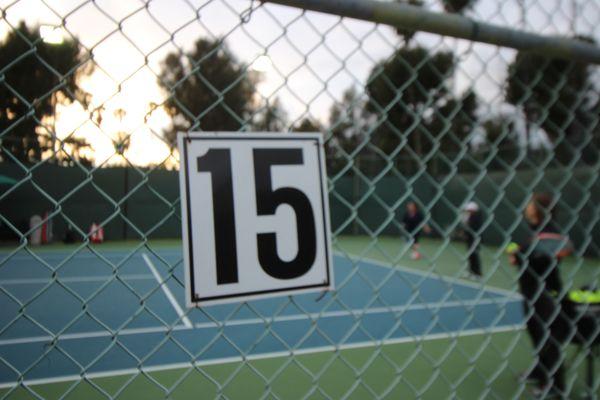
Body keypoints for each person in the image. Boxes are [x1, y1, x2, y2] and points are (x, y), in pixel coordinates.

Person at [507, 193, 574, 398]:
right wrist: (519, 253)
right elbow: (524, 255)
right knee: (536, 333)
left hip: (546, 294)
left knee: (548, 338)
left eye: (530, 205)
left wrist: (518, 253)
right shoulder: (536, 232)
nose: (527, 208)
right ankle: (540, 370)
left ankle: (555, 385)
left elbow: (560, 249)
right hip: (531, 291)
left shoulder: (549, 232)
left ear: (539, 209)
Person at [463, 201, 483, 278]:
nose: (468, 211)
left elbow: (472, 228)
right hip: (470, 239)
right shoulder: (470, 217)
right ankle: (471, 272)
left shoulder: (476, 218)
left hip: (475, 240)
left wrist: (466, 222)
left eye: (469, 210)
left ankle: (478, 273)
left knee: (475, 255)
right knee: (470, 256)